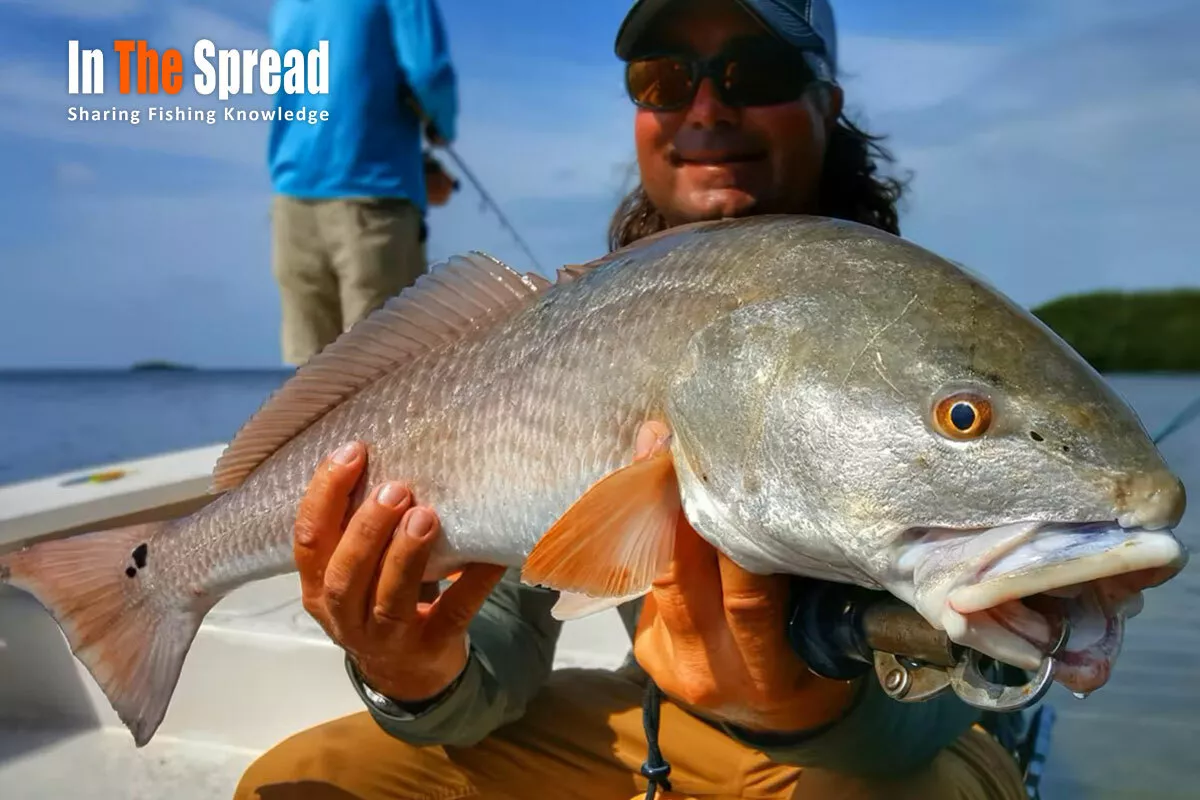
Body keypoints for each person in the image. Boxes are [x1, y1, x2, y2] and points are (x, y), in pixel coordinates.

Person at [235, 1, 1029, 797]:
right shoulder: (586, 332)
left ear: (827, 102)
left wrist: (811, 709)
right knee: (301, 784)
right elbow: (503, 640)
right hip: (659, 726)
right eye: (664, 79)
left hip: (895, 754)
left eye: (756, 72)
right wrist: (415, 675)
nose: (708, 107)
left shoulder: (933, 337)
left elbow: (991, 670)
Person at [267, 0, 459, 366]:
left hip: (291, 205)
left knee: (307, 388)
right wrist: (440, 128)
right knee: (385, 377)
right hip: (375, 205)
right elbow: (430, 74)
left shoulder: (287, 6)